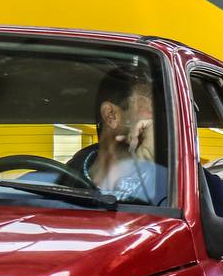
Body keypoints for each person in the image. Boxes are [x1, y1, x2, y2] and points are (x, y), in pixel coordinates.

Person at [65, 64, 167, 205]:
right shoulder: (64, 179)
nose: (163, 119)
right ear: (111, 115)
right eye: (151, 106)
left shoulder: (179, 178)